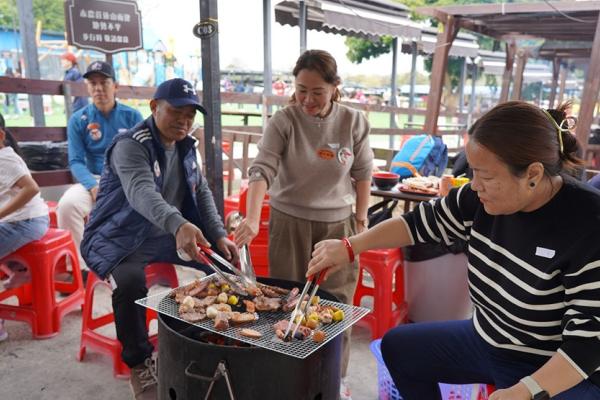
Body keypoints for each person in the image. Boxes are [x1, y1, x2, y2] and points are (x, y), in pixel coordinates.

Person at [307, 101, 600, 400]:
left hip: (553, 364)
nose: (475, 186)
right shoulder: (477, 198)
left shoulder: (588, 223)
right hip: (487, 338)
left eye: (486, 177)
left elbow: (589, 343)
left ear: (533, 174)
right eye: (473, 173)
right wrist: (350, 246)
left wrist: (527, 390)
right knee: (399, 348)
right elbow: (417, 224)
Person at [81, 78, 238, 400]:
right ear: (154, 107)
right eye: (176, 112)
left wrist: (219, 235)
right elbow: (141, 191)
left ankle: (213, 341)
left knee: (226, 267)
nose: (184, 121)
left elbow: (202, 192)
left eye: (189, 116)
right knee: (129, 284)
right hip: (118, 236)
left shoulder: (186, 147)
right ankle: (138, 363)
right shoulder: (130, 144)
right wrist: (178, 224)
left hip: (164, 234)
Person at [234, 49, 373, 400]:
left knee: (336, 305)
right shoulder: (284, 121)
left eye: (317, 92)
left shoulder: (353, 121)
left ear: (335, 87)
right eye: (301, 90)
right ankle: (287, 376)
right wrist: (253, 218)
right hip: (289, 223)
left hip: (338, 226)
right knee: (287, 301)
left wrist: (360, 219)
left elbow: (362, 173)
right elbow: (262, 169)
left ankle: (334, 378)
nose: (307, 100)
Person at [57, 61, 143, 276]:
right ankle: (83, 269)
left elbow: (142, 157)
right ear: (87, 87)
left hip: (125, 181)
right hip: (94, 179)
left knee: (143, 207)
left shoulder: (132, 117)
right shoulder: (78, 119)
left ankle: (131, 264)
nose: (98, 88)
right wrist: (93, 186)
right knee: (67, 205)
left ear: (115, 86)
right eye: (92, 83)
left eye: (104, 82)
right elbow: (76, 161)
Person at [0, 120, 50, 341]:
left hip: (26, 222)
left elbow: (31, 188)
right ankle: (20, 270)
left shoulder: (5, 159)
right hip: (19, 220)